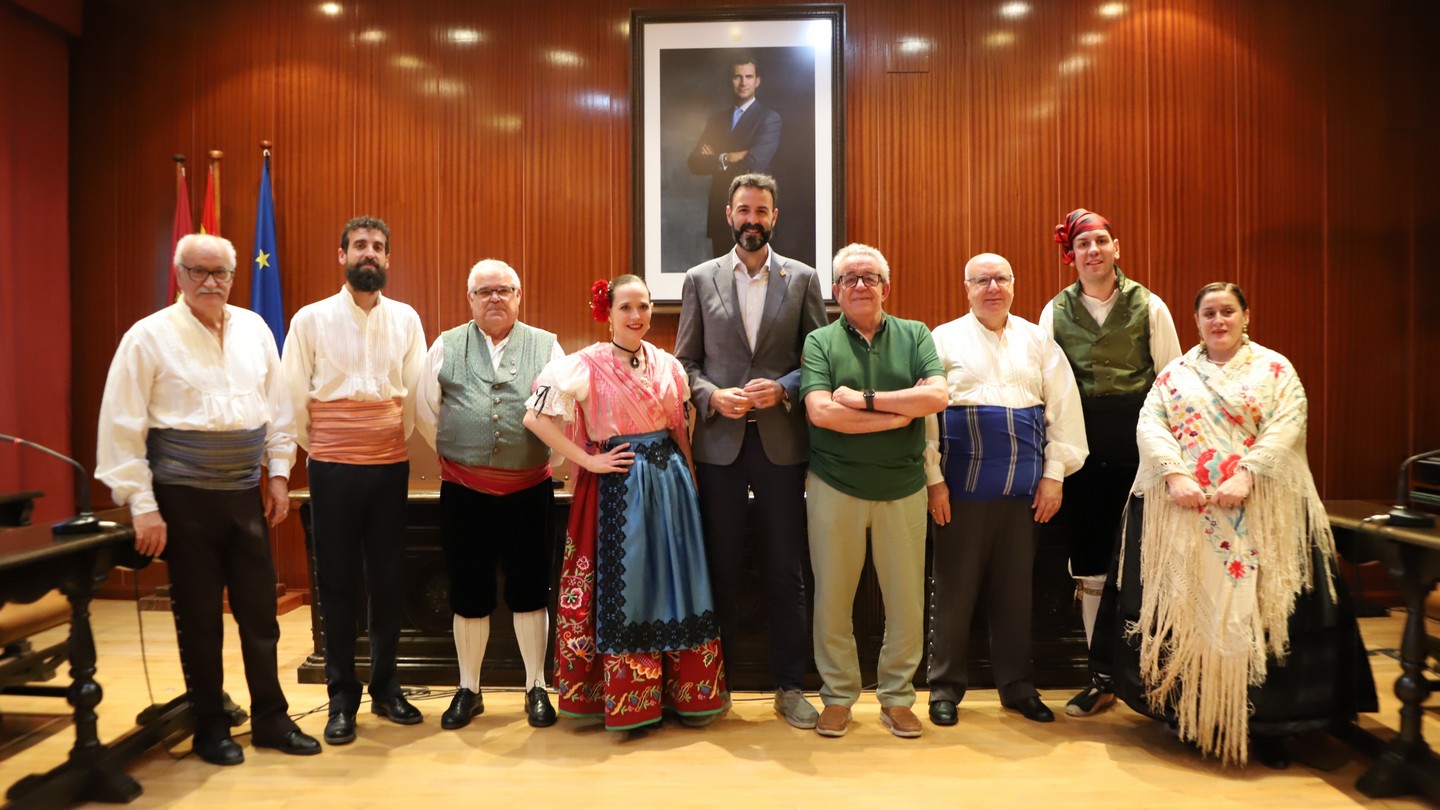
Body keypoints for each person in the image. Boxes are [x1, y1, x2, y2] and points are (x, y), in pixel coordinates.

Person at [1102, 282, 1376, 767]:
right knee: (1192, 611)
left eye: (1228, 311)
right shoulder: (1175, 375)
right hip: (1189, 515)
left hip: (1261, 516)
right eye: (1209, 313)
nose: (1219, 321)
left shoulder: (1275, 370)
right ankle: (1195, 715)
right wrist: (1174, 473)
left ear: (1246, 314)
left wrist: (1249, 474)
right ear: (1197, 321)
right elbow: (1151, 424)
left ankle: (1267, 725)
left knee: (1263, 615)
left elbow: (1289, 423)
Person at [96, 234, 320, 765]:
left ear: (233, 277)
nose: (209, 282)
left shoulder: (254, 329)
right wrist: (141, 503)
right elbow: (121, 426)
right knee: (199, 616)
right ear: (179, 274)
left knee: (260, 612)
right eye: (198, 271)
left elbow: (278, 408)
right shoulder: (147, 337)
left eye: (220, 273)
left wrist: (280, 474)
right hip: (181, 499)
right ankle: (210, 725)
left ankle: (270, 718)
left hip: (245, 493)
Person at [522, 274, 727, 732]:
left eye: (644, 307)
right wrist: (588, 463)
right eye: (626, 308)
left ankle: (683, 696)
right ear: (607, 313)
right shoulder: (582, 365)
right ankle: (627, 699)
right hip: (616, 488)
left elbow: (679, 431)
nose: (637, 317)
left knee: (675, 584)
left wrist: (690, 481)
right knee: (626, 590)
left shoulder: (669, 364)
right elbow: (533, 418)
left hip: (669, 487)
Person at [675, 173, 827, 729]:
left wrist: (784, 388)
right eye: (743, 210)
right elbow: (684, 364)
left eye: (762, 210)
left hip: (784, 448)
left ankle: (790, 687)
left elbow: (818, 358)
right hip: (718, 448)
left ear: (775, 217)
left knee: (787, 569)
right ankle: (715, 687)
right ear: (730, 216)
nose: (752, 219)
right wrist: (713, 396)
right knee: (720, 568)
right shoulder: (699, 278)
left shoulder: (804, 279)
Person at [924, 253, 1088, 727]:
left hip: (1024, 493)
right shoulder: (942, 338)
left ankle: (1018, 687)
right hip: (960, 490)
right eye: (982, 280)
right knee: (952, 592)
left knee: (1016, 594)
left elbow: (1063, 408)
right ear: (967, 287)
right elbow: (929, 418)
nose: (992, 287)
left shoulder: (1039, 341)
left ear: (1013, 285)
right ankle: (944, 688)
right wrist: (933, 480)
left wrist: (1055, 473)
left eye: (1001, 278)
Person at [281, 216, 427, 745]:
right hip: (332, 466)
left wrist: (381, 437)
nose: (370, 253)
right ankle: (341, 696)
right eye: (360, 245)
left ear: (388, 259)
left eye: (379, 247)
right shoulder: (310, 320)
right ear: (340, 255)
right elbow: (293, 399)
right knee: (338, 582)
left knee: (388, 582)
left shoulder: (407, 320)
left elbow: (415, 397)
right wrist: (334, 442)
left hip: (389, 465)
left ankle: (387, 687)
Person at [800, 244, 948, 739]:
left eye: (870, 276)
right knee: (833, 601)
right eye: (849, 278)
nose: (860, 284)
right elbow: (821, 412)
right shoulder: (819, 341)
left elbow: (938, 396)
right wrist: (899, 414)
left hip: (903, 488)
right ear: (836, 291)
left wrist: (864, 401)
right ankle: (839, 697)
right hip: (833, 486)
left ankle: (897, 698)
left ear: (887, 286)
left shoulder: (916, 334)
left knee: (905, 602)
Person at [1040, 208, 1181, 717]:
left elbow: (1172, 384)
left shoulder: (1152, 306)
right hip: (1081, 445)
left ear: (1116, 247)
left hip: (1140, 443)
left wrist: (1170, 458)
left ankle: (1155, 675)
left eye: (1101, 241)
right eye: (1083, 245)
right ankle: (1100, 677)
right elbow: (1050, 392)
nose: (1093, 251)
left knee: (1147, 560)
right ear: (1070, 256)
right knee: (1093, 562)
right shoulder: (1052, 313)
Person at [415, 259, 564, 730]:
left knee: (530, 589)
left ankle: (536, 687)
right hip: (464, 492)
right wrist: (464, 447)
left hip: (529, 491)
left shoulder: (548, 346)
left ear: (519, 296)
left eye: (504, 290)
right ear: (470, 299)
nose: (495, 298)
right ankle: (469, 688)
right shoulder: (445, 345)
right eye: (485, 291)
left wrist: (540, 463)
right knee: (469, 591)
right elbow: (424, 411)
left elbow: (562, 417)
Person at [687, 56, 783, 259]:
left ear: (757, 81)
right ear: (730, 80)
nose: (743, 82)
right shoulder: (716, 120)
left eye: (749, 76)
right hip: (719, 211)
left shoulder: (769, 118)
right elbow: (695, 162)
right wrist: (727, 157)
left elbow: (754, 163)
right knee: (720, 283)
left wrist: (714, 159)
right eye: (737, 76)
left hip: (753, 214)